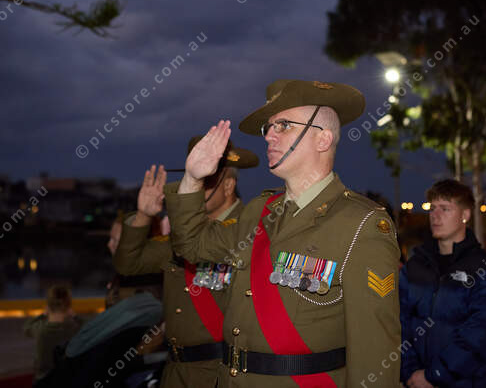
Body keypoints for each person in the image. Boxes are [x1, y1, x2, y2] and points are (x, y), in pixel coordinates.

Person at [166, 79, 401, 387]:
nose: (268, 136)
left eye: (284, 126)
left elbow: (374, 350)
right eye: (269, 127)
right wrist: (192, 179)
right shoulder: (258, 211)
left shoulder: (362, 224)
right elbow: (191, 245)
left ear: (323, 139)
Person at [113, 137, 259, 388]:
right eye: (193, 178)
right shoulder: (181, 238)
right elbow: (128, 264)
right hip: (175, 371)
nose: (195, 186)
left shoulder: (249, 232)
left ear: (228, 185)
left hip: (222, 372)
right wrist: (144, 215)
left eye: (205, 180)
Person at [399, 179, 486, 388]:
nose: (435, 215)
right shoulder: (414, 266)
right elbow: (399, 322)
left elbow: (483, 334)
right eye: (432, 208)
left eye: (445, 208)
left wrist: (434, 375)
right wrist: (409, 372)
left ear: (465, 215)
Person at [23, 285, 83, 384]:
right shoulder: (74, 329)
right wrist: (75, 316)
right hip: (66, 381)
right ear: (68, 307)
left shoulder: (39, 328)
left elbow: (26, 327)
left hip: (42, 382)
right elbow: (90, 327)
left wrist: (43, 315)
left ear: (48, 306)